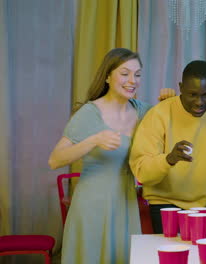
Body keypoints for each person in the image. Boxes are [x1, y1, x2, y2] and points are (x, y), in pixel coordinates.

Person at [48, 48, 152, 264]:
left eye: (138, 74)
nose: (132, 80)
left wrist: (168, 101)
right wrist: (93, 140)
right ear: (107, 76)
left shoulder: (143, 111)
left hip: (125, 204)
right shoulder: (90, 113)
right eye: (125, 73)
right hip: (92, 205)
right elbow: (55, 160)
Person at [129, 60, 206, 234]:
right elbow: (141, 171)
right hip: (164, 204)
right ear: (181, 88)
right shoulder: (159, 114)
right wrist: (168, 159)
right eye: (192, 94)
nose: (199, 102)